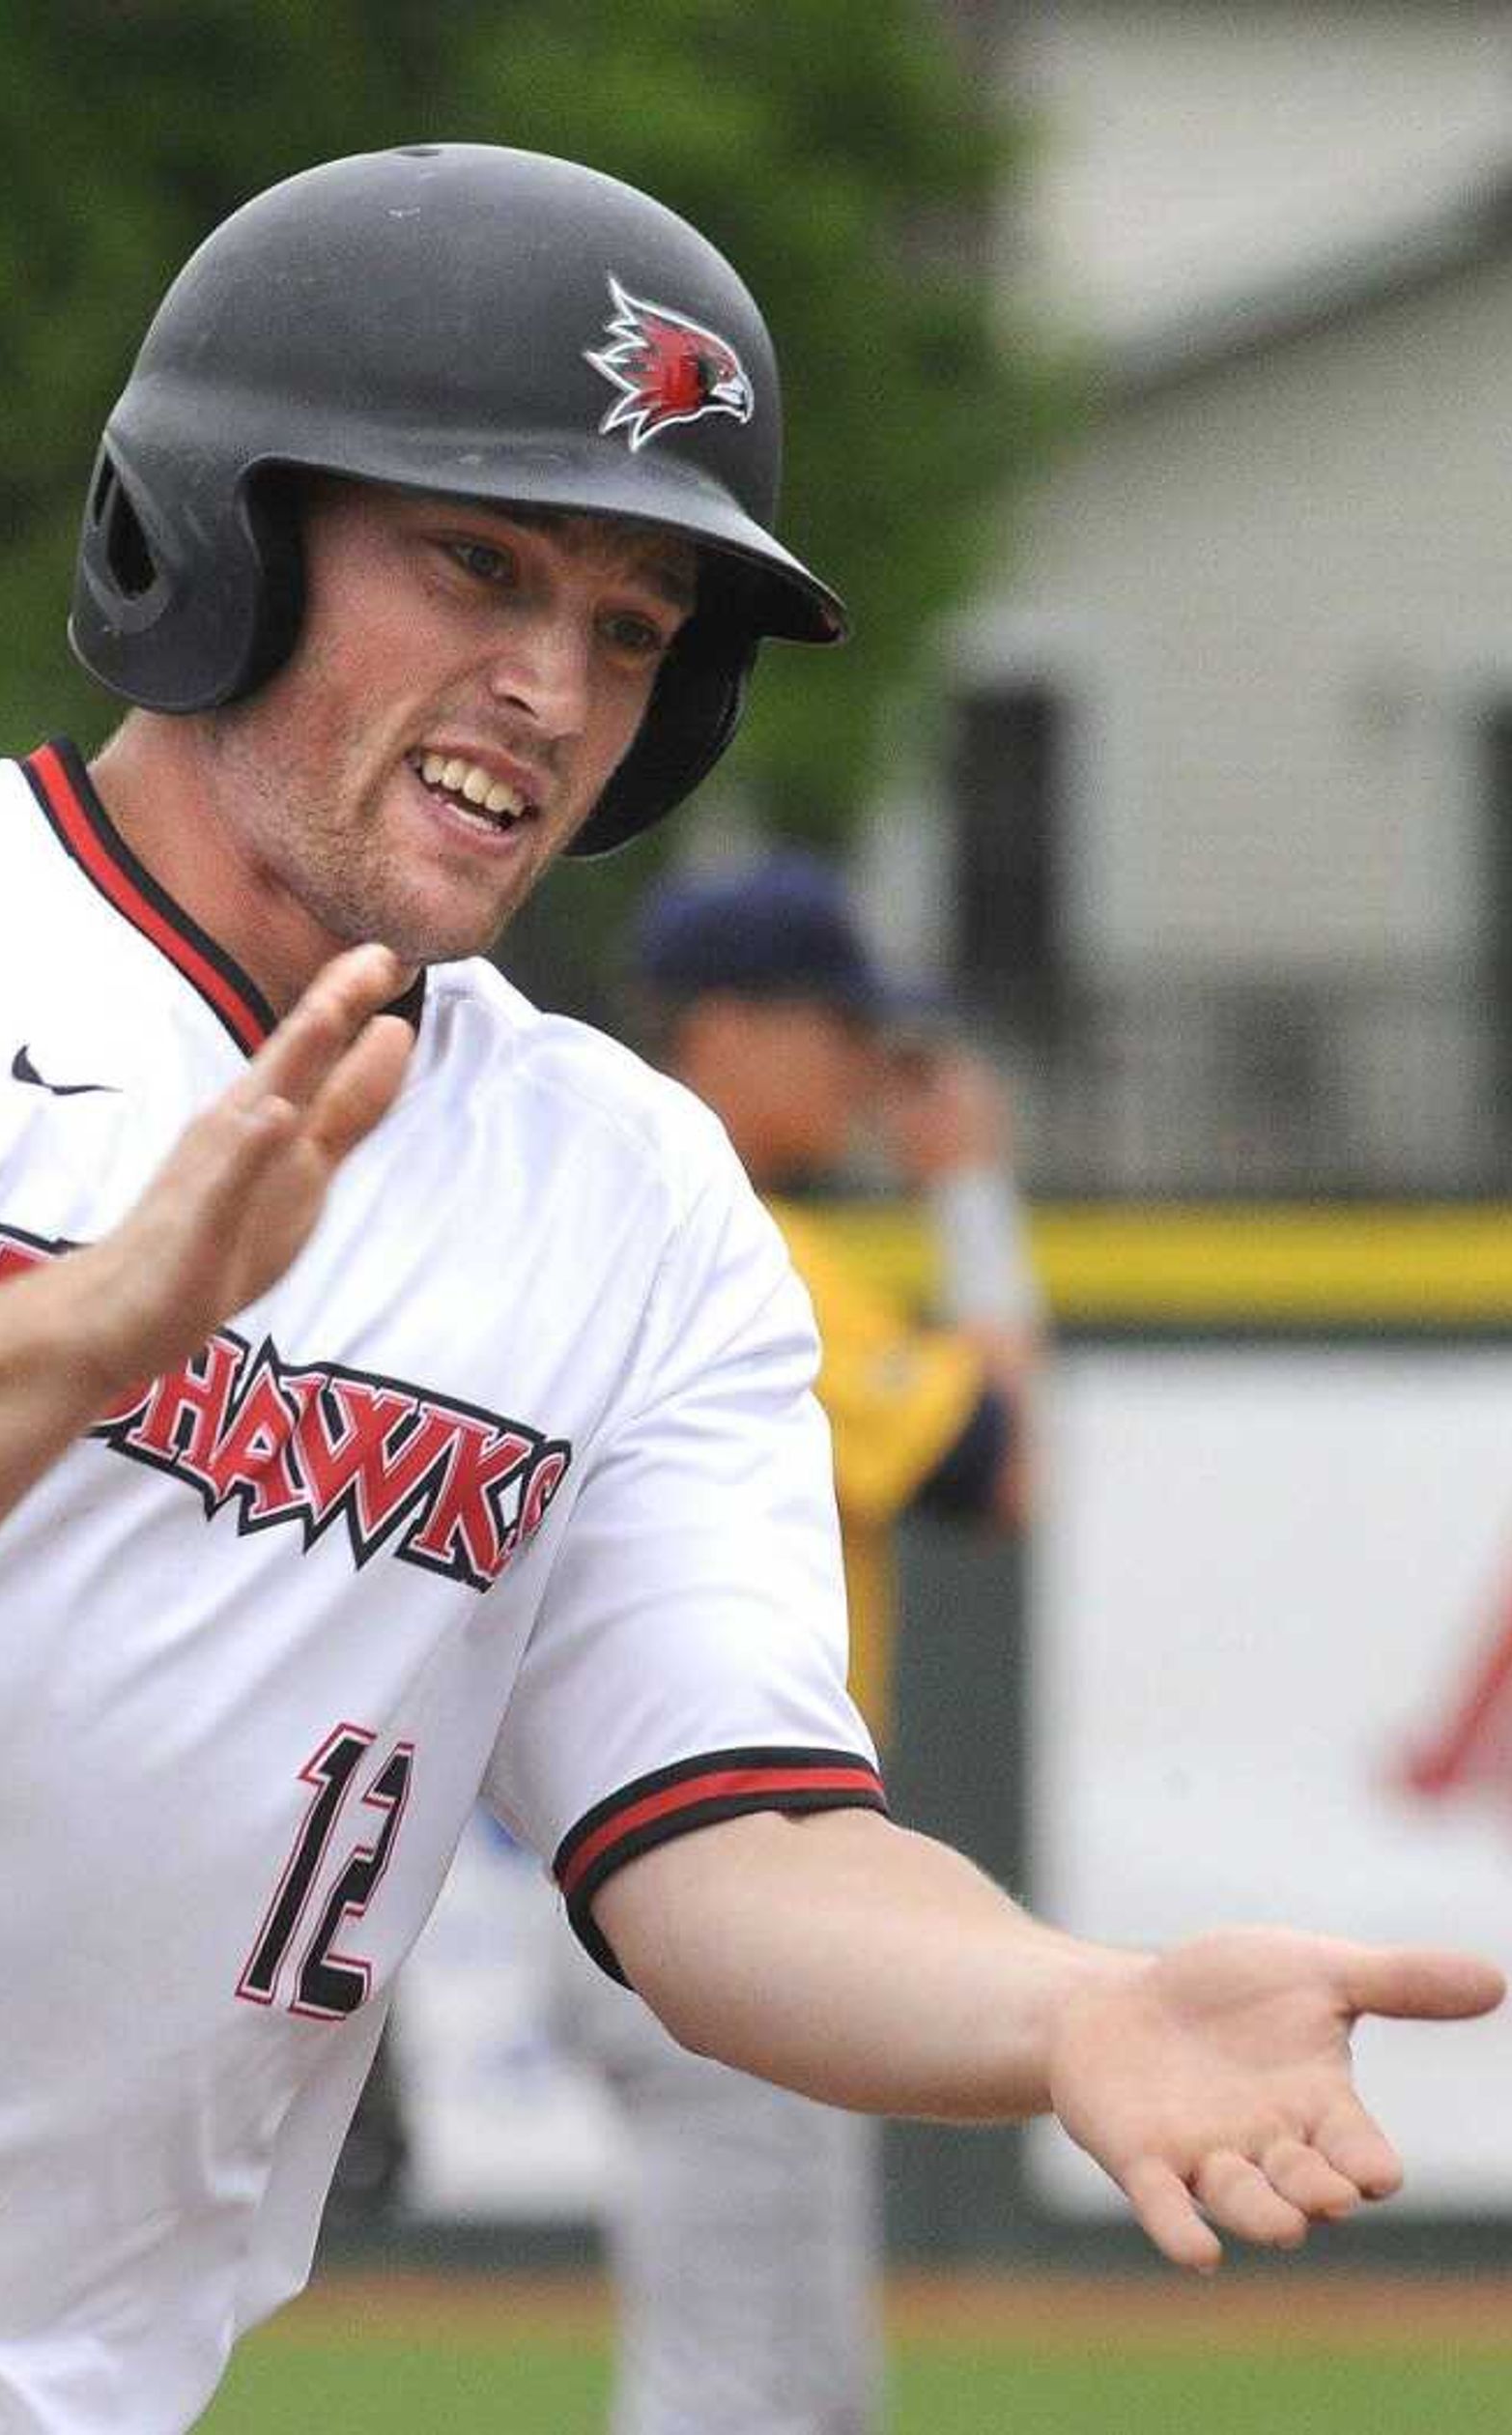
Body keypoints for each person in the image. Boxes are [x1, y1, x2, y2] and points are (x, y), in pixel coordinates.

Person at [0, 143, 1503, 2435]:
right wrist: (90, 1330)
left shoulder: (626, 1198)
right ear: (216, 541)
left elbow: (726, 1844)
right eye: (481, 564)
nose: (554, 685)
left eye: (632, 626)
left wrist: (1068, 2005)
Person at [544, 851, 1033, 2435]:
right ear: (727, 1029)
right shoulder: (733, 1253)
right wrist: (969, 1189)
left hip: (680, 1860)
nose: (866, 1073)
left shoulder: (597, 1218)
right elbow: (1004, 1468)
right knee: (738, 2405)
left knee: (802, 2399)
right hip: (724, 1869)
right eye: (838, 1028)